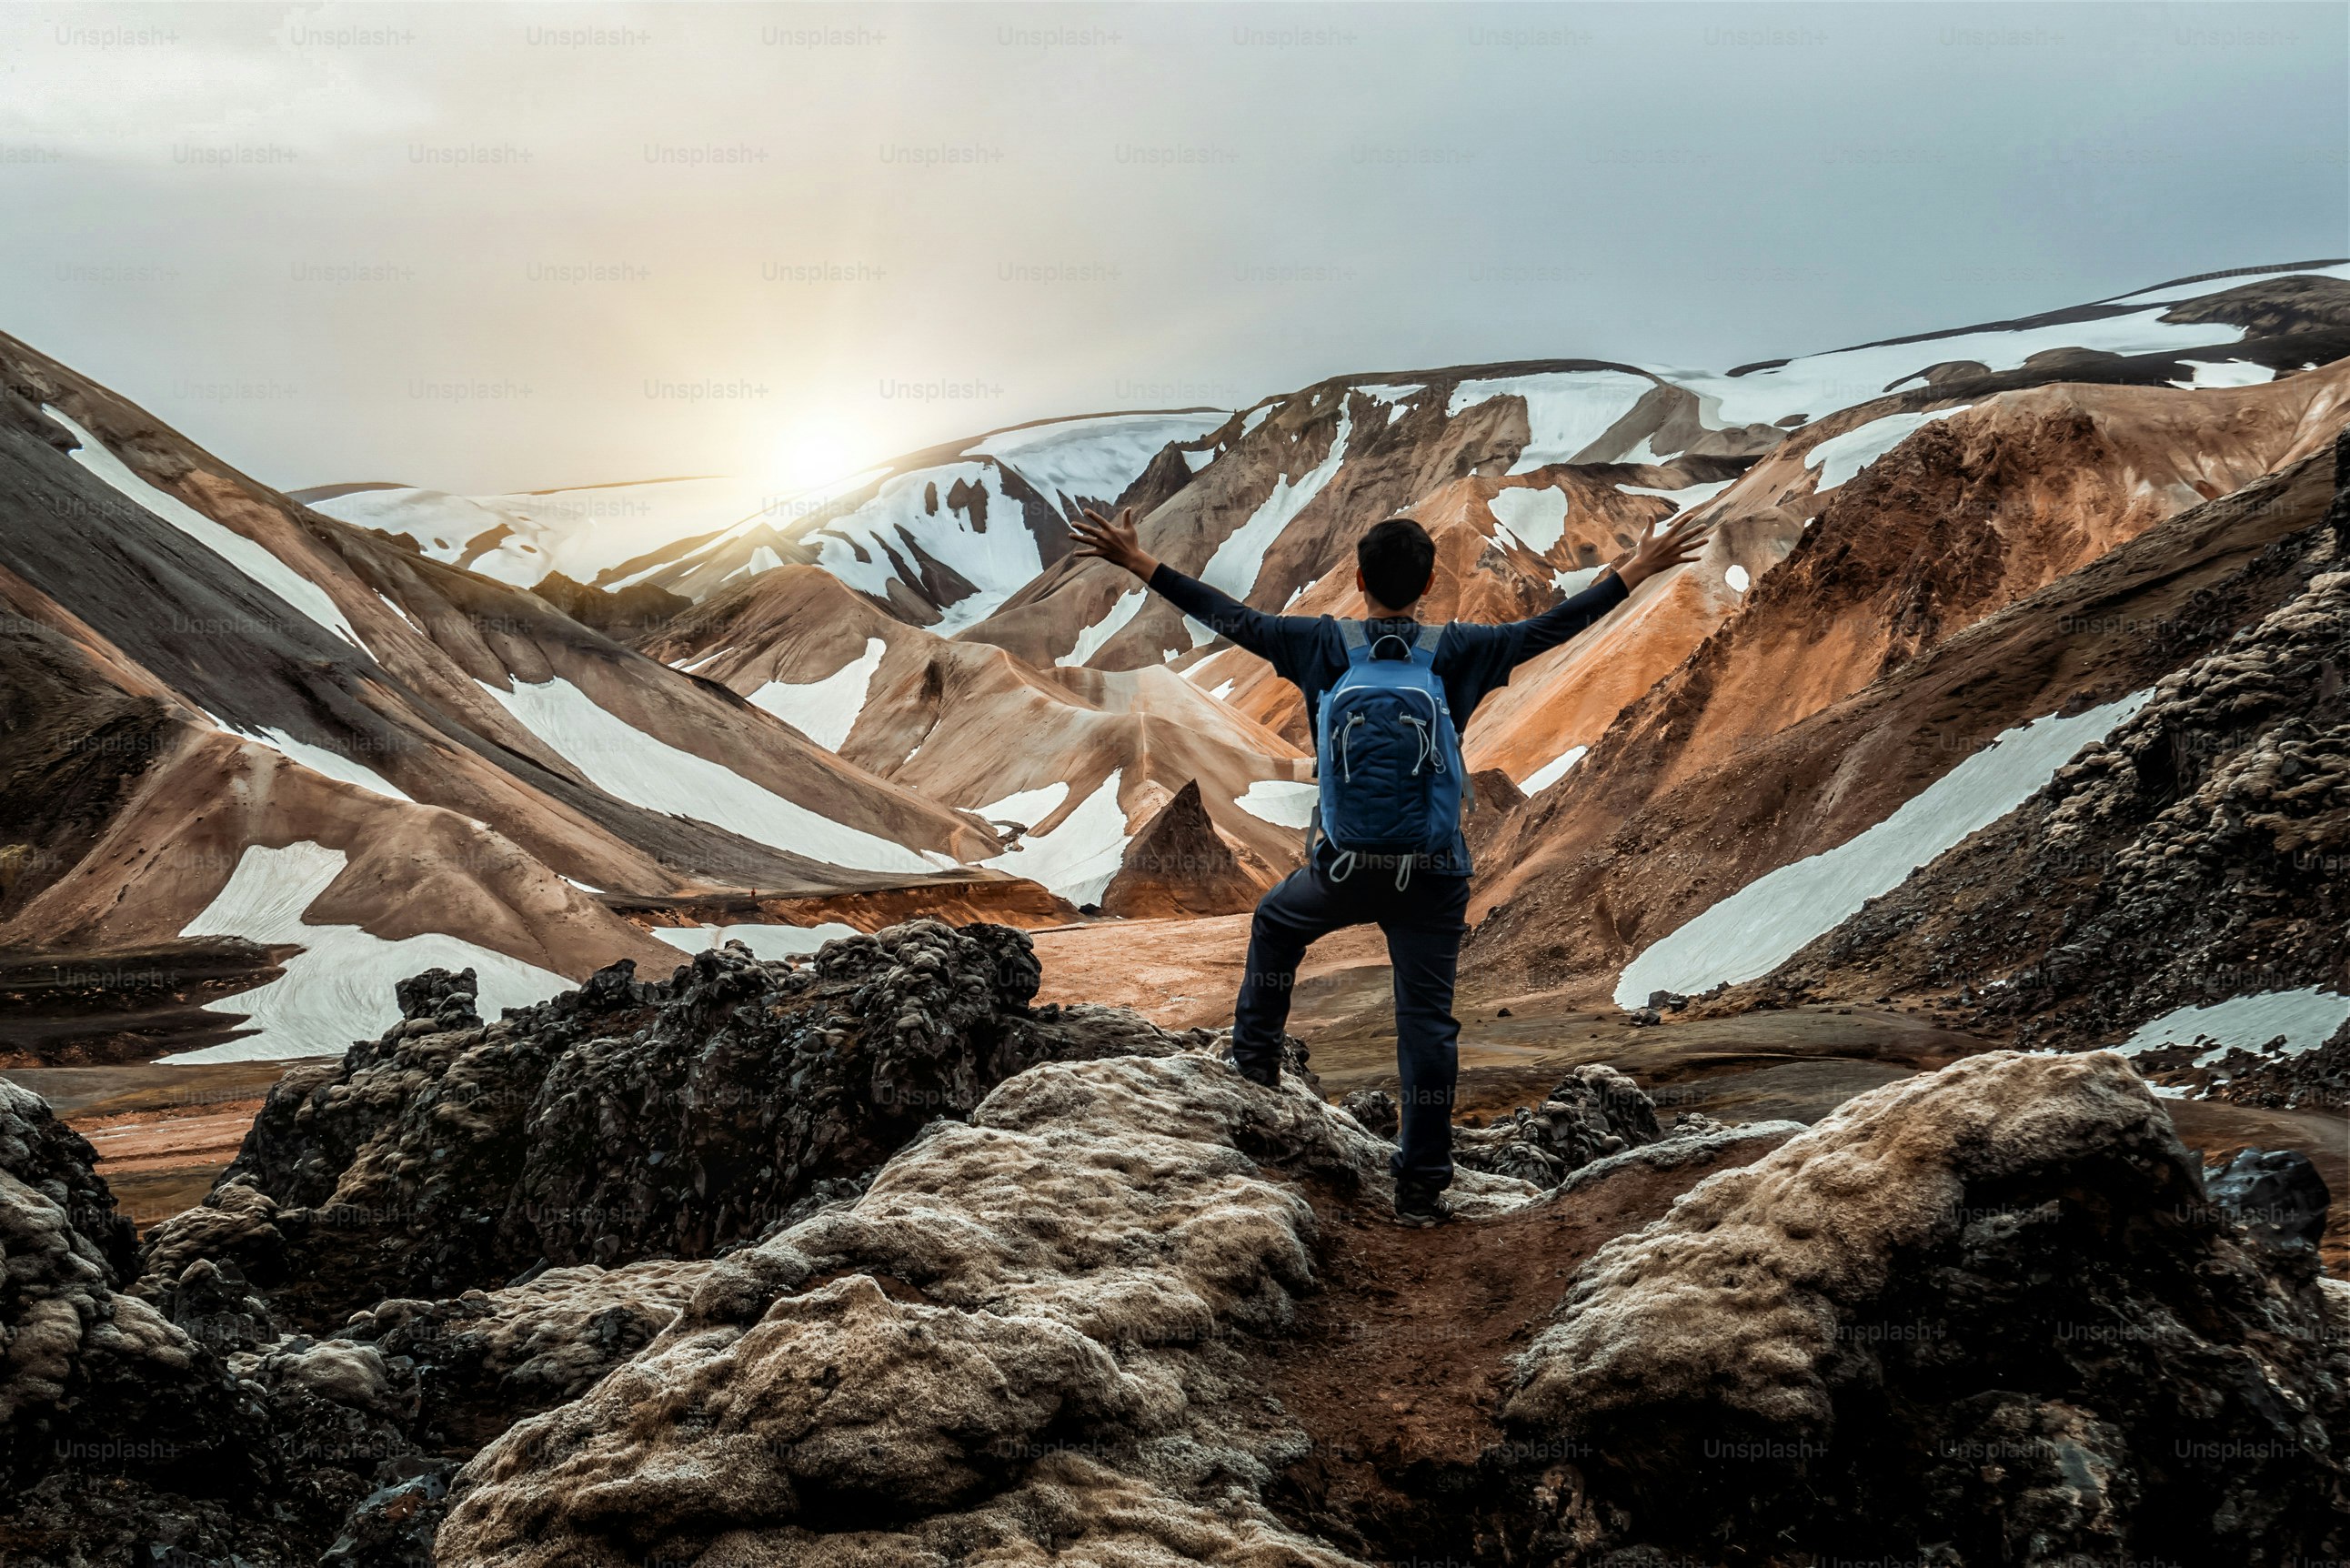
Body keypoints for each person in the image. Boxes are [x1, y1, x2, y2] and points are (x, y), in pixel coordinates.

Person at [1069, 504, 1712, 1225]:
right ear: (1431, 582)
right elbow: (1553, 628)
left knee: (1277, 924)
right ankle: (1420, 1188)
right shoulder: (1461, 650)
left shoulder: (1316, 645)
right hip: (1433, 873)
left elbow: (1228, 617)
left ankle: (1253, 1070)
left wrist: (1136, 560)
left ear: (1355, 578)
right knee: (1426, 1024)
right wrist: (1636, 569)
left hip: (1343, 868)